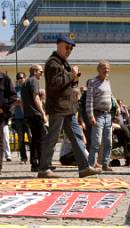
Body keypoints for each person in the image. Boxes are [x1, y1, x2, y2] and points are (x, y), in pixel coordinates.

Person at [37, 35, 100, 179]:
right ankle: (44, 168)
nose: (69, 50)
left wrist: (74, 78)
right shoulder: (53, 63)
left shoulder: (62, 63)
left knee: (77, 136)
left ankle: (84, 167)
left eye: (71, 48)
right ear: (58, 45)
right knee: (52, 138)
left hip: (67, 107)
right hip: (58, 107)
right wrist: (71, 75)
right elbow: (55, 85)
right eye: (67, 47)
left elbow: (65, 84)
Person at [86, 60, 114, 171]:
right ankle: (91, 164)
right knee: (96, 142)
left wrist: (114, 105)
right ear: (98, 69)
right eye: (103, 68)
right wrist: (90, 115)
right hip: (98, 115)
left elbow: (111, 96)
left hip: (108, 116)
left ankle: (105, 164)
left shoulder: (108, 82)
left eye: (108, 68)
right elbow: (89, 100)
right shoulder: (93, 82)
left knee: (108, 142)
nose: (106, 70)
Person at [21, 63, 47, 172]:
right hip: (35, 114)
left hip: (28, 114)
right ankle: (41, 163)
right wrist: (43, 113)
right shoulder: (34, 81)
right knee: (40, 139)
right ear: (35, 71)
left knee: (35, 139)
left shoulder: (25, 83)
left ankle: (34, 163)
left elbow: (22, 101)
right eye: (41, 72)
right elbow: (36, 98)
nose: (42, 74)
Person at [12, 71, 29, 163]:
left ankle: (35, 157)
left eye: (22, 78)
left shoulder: (28, 87)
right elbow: (11, 102)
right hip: (18, 117)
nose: (20, 79)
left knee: (31, 137)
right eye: (18, 78)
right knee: (21, 139)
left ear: (25, 78)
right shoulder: (15, 90)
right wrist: (17, 102)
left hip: (28, 116)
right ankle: (23, 157)